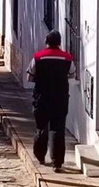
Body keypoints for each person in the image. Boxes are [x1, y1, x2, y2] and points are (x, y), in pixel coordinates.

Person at [27, 30, 76, 173]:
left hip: (42, 98)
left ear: (46, 42)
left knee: (41, 127)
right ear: (60, 42)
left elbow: (30, 77)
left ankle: (40, 156)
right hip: (60, 98)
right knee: (58, 129)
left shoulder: (38, 57)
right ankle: (57, 162)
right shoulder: (68, 58)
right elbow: (71, 76)